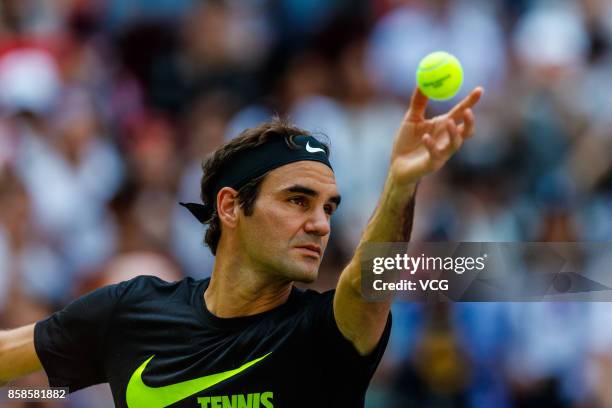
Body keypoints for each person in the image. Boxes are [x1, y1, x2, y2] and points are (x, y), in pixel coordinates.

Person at [0, 86, 483, 407]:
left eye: (328, 209)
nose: (319, 224)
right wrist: (39, 395)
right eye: (298, 200)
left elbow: (367, 278)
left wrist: (401, 184)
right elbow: (12, 365)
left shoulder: (325, 332)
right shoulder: (130, 312)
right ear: (231, 207)